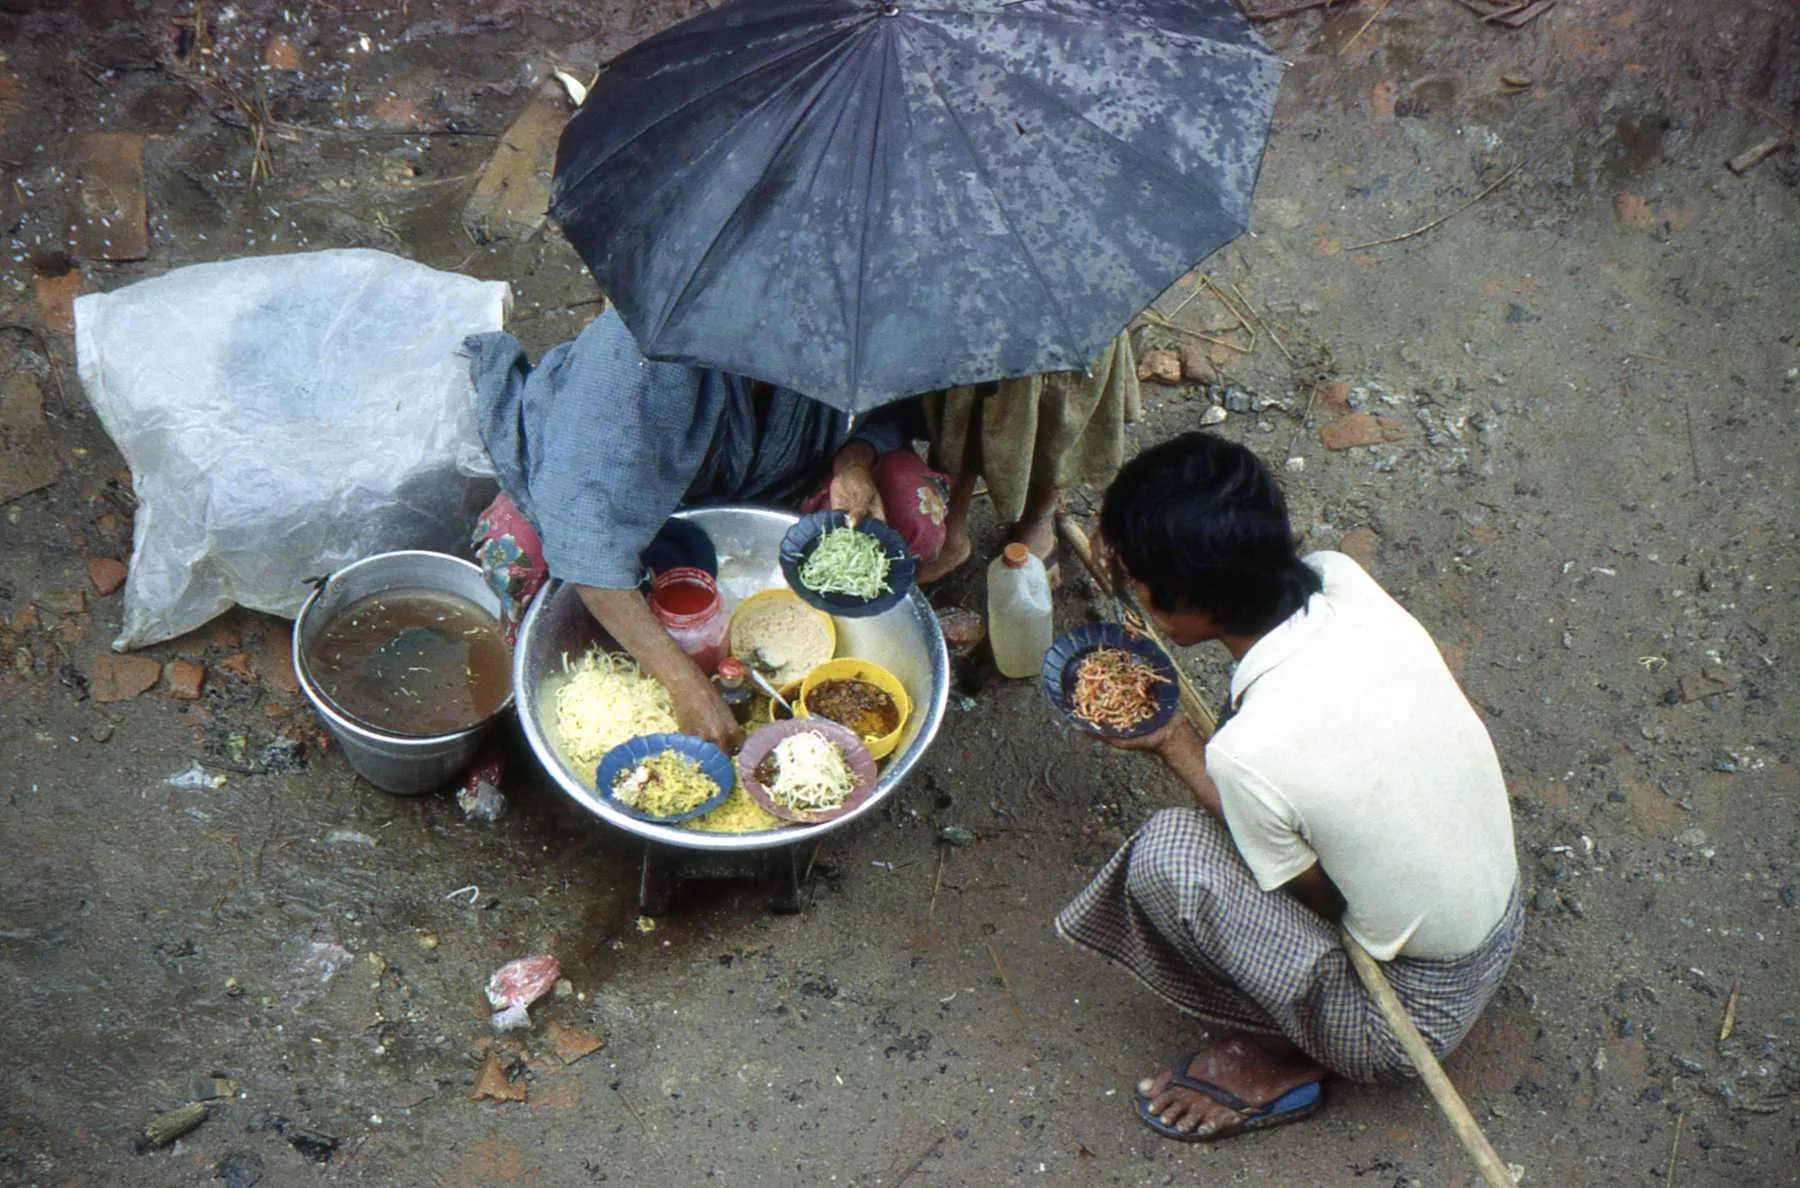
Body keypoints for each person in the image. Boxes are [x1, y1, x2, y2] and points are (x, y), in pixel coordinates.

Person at [1056, 432, 1520, 1142]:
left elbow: (1324, 903)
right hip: (1502, 915)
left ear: (1193, 604)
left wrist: (1180, 745)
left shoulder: (1248, 753)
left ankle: (1287, 1055)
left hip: (1410, 1019)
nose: (1134, 594)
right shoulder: (1339, 579)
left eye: (1140, 583)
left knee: (1167, 856)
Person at [463, 307, 947, 753]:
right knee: (520, 561)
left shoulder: (839, 318)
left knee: (912, 512)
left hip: (784, 477)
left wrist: (855, 459)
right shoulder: (637, 351)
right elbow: (582, 525)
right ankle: (503, 729)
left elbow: (887, 406)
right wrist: (684, 684)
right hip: (621, 483)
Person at [918, 330, 1140, 585]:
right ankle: (949, 526)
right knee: (969, 390)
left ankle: (1038, 516)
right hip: (978, 310)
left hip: (1073, 312)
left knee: (1060, 398)